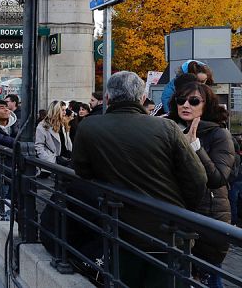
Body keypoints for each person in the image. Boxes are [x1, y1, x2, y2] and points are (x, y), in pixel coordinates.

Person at [73, 71, 207, 287]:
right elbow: (198, 178)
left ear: (107, 98)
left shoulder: (89, 127)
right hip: (168, 230)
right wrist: (182, 207)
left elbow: (81, 170)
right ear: (142, 98)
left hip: (121, 228)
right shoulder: (167, 127)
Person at [167, 81, 235, 286]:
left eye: (194, 100)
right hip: (177, 215)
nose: (186, 105)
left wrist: (195, 146)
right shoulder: (171, 129)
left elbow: (218, 179)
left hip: (208, 215)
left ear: (206, 105)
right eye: (181, 100)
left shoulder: (219, 134)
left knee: (209, 277)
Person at [34, 100, 73, 167]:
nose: (65, 112)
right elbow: (39, 146)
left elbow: (66, 144)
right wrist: (52, 160)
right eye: (62, 110)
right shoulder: (43, 126)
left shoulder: (64, 124)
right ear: (56, 111)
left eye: (65, 110)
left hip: (66, 160)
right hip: (53, 162)